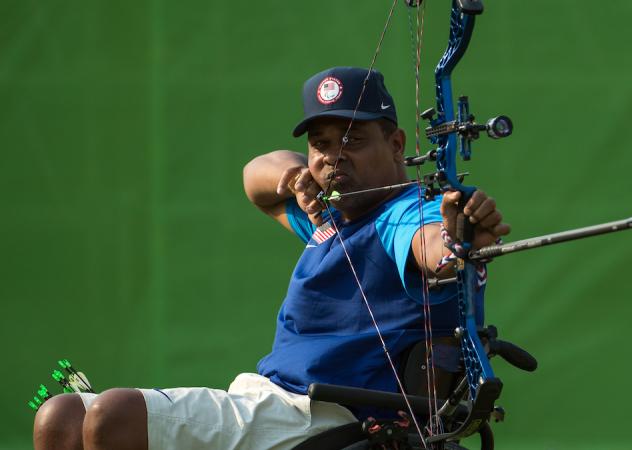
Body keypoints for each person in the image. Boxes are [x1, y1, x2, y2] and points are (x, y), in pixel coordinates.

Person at [32, 66, 510, 450]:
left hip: (322, 417)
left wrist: (456, 239)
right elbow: (255, 179)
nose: (332, 157)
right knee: (59, 418)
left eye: (352, 141)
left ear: (398, 145)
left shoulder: (402, 214)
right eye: (320, 144)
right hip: (270, 404)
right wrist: (296, 176)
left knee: (111, 417)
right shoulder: (330, 216)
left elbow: (432, 248)